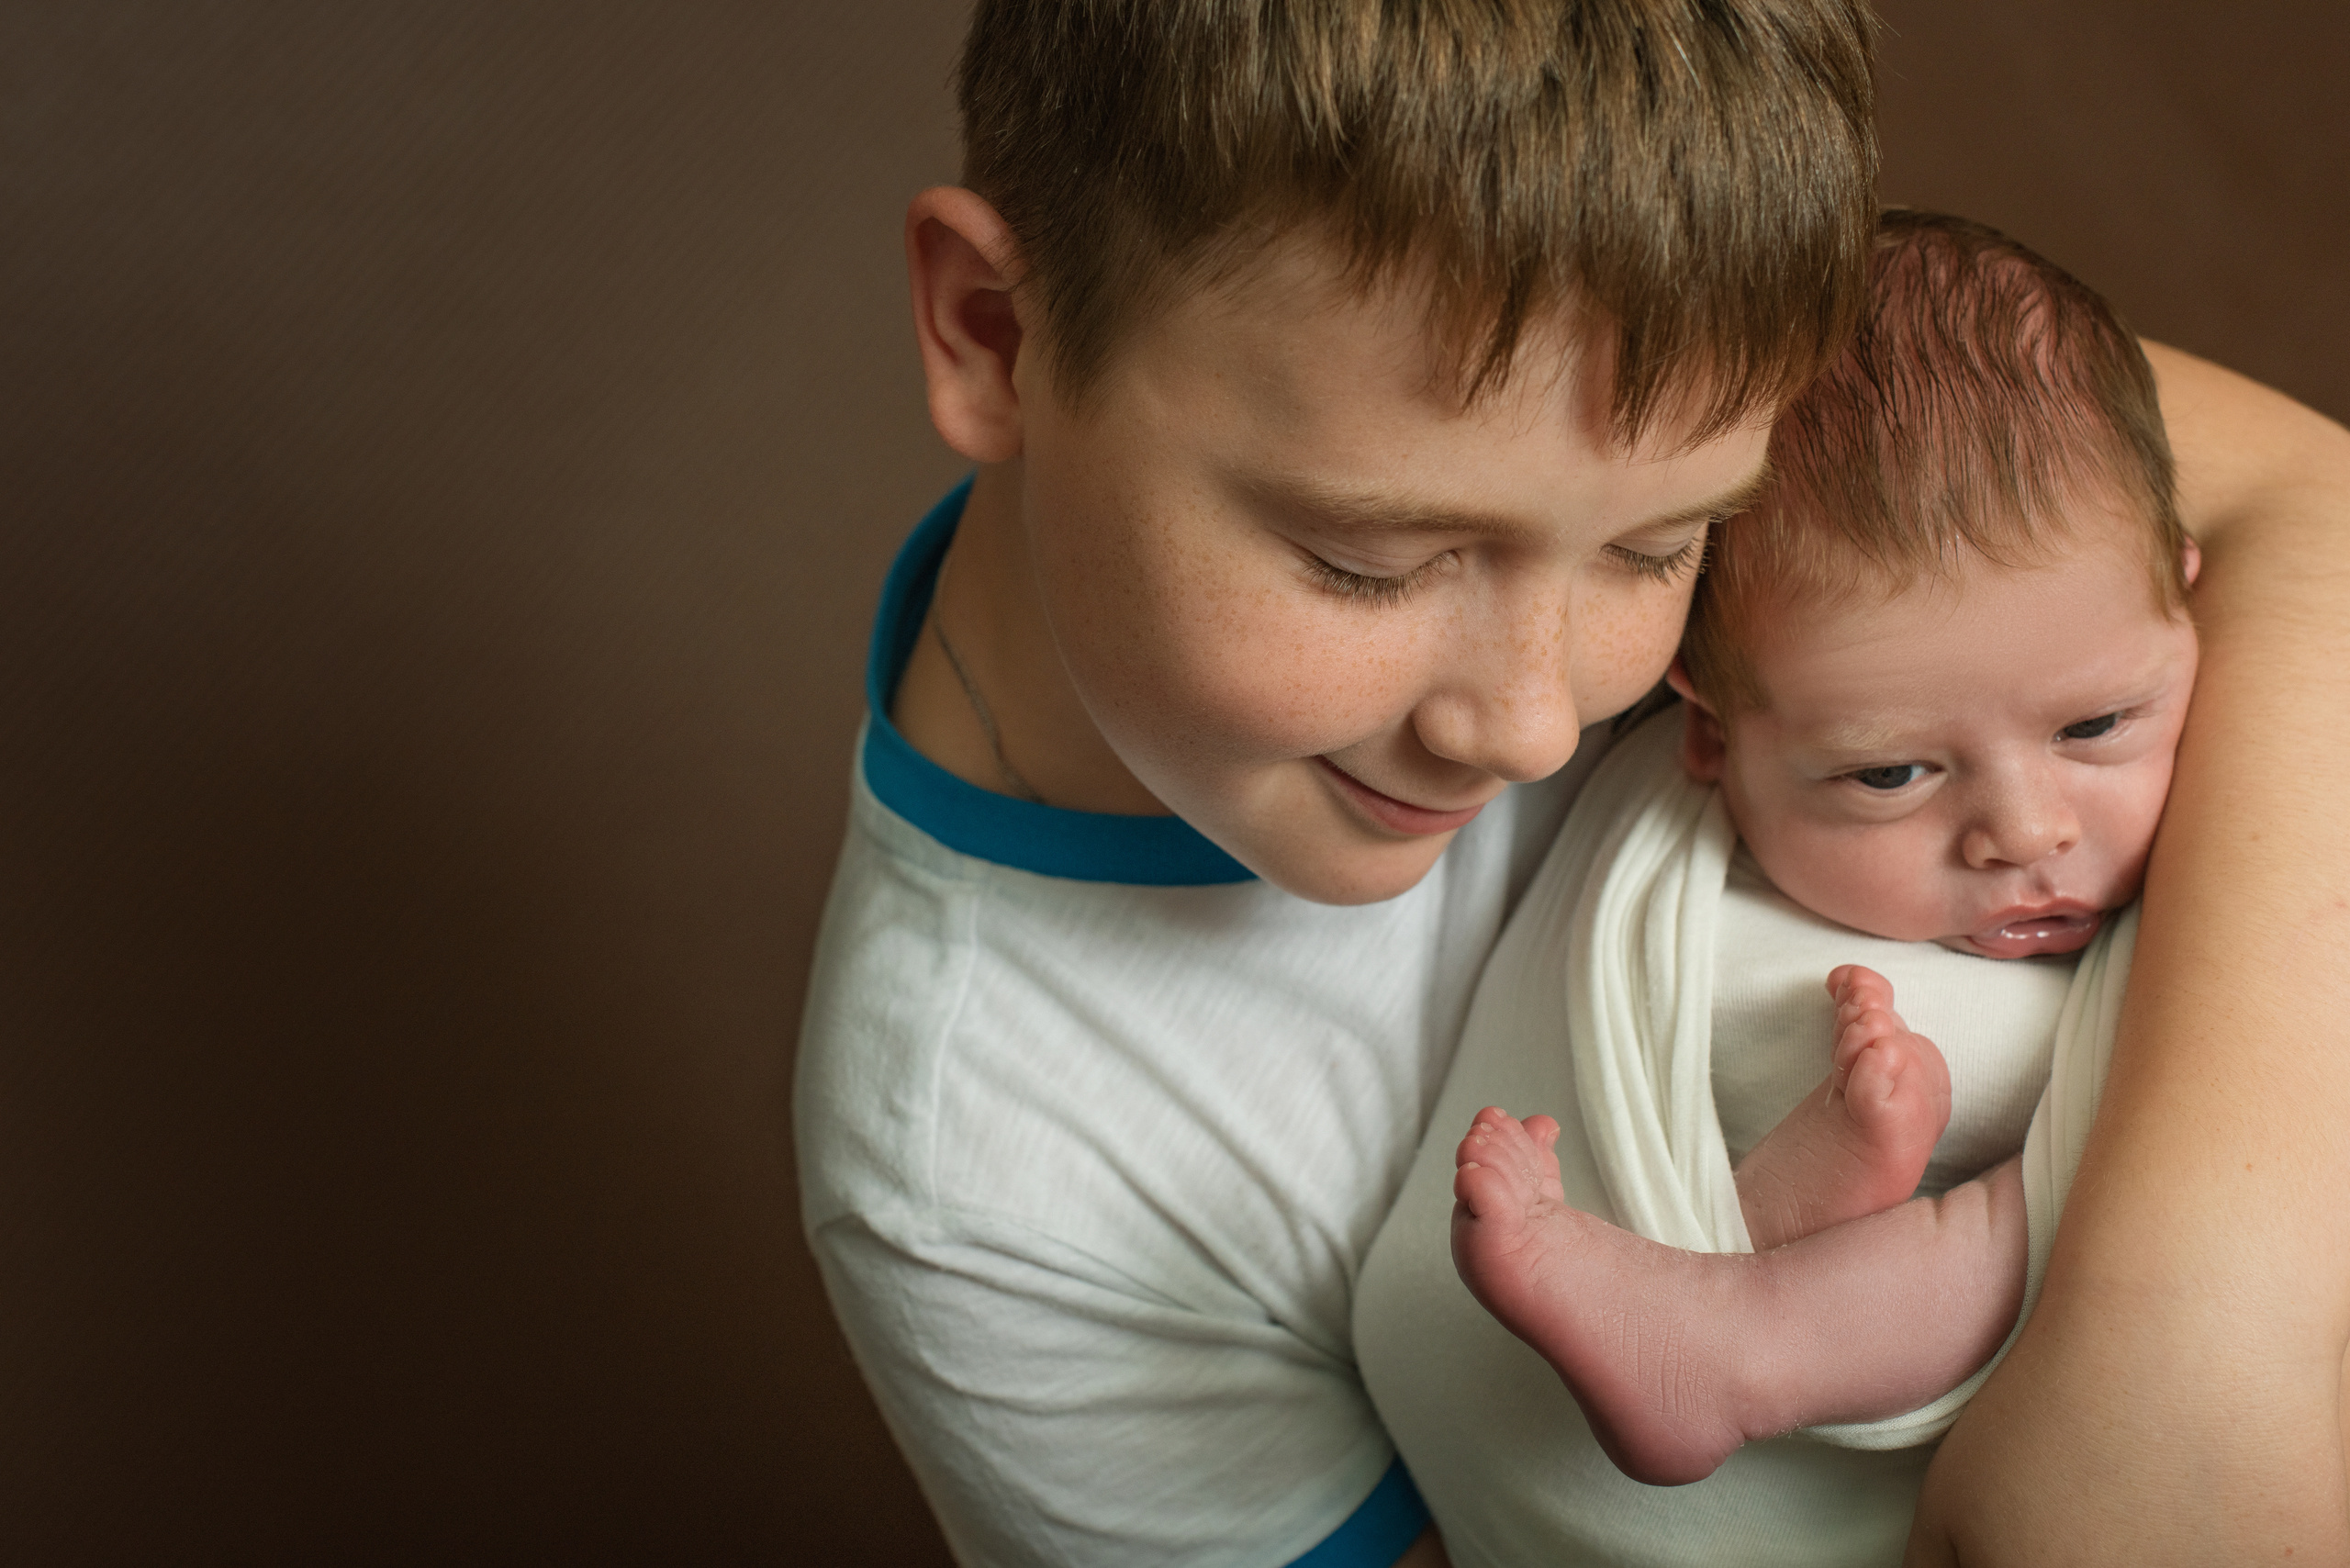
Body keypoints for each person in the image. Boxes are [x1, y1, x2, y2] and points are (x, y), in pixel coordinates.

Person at [794, 3, 2350, 1563]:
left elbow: (2309, 507)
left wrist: (2194, 1331)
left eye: (1659, 551)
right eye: (1368, 564)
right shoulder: (983, 1191)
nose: (1535, 725)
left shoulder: (1636, 311)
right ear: (995, 331)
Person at [1424, 215, 2201, 1533]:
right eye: (1891, 774)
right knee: (2080, 1189)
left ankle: (1741, 1321)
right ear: (1711, 736)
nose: (2024, 831)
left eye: (2094, 727)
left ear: (2188, 600)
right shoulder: (1725, 925)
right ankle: (1736, 1336)